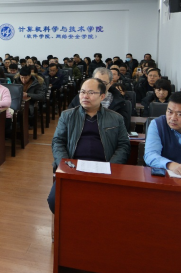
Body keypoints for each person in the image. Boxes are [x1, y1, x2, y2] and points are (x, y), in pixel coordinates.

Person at [48, 78, 130, 213]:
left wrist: (111, 167)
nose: (85, 96)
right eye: (82, 92)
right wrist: (65, 164)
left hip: (104, 169)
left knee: (109, 204)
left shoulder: (116, 118)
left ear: (102, 96)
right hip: (73, 167)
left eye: (91, 92)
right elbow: (58, 141)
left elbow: (123, 145)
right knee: (55, 201)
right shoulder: (67, 116)